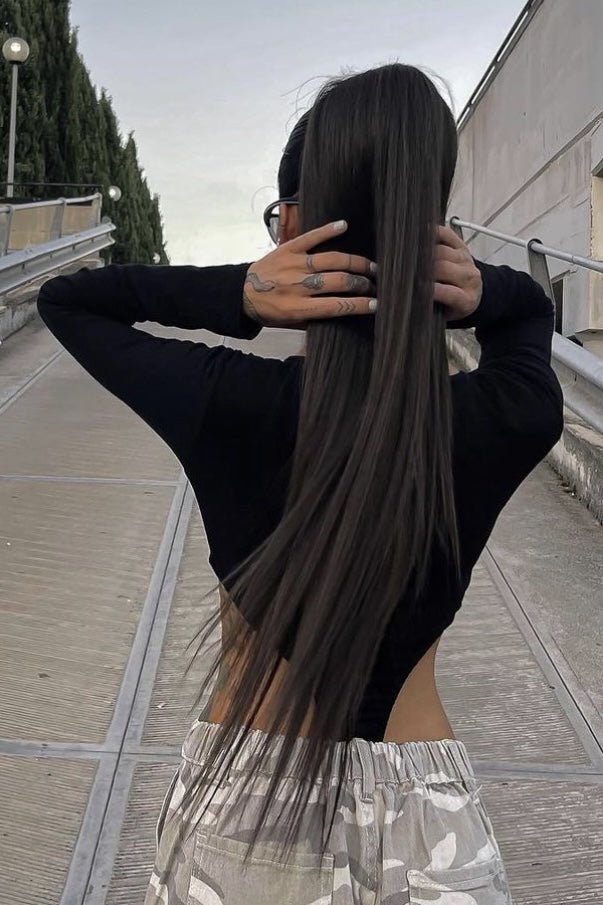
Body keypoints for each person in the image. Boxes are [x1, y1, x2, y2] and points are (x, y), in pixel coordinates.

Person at [36, 64, 563, 905]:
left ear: (289, 226)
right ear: (436, 238)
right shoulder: (503, 415)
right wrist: (484, 292)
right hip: (428, 826)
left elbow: (70, 300)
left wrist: (239, 294)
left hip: (246, 810)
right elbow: (531, 311)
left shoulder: (224, 401)